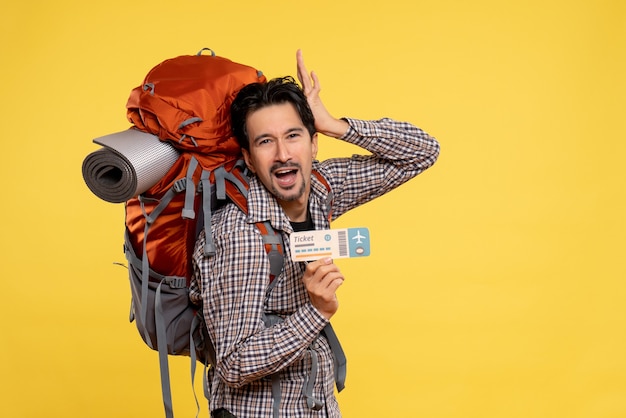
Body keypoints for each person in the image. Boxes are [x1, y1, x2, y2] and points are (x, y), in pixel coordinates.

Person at [190, 50, 440, 418]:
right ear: (248, 156)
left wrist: (335, 123)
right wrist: (317, 311)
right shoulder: (238, 233)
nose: (282, 154)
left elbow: (422, 152)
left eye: (293, 136)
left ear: (313, 142)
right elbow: (234, 364)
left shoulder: (323, 188)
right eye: (265, 142)